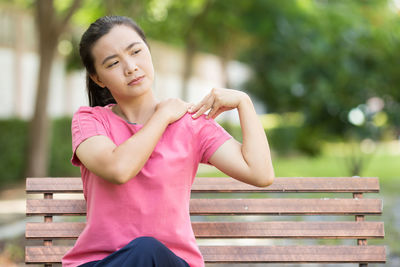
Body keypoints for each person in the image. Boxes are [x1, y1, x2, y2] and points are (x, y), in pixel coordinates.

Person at [62, 15, 274, 267]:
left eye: (136, 51)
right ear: (98, 79)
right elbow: (118, 169)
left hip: (168, 263)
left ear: (149, 52)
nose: (130, 67)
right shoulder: (90, 121)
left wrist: (243, 102)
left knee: (148, 249)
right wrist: (163, 115)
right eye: (113, 63)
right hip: (103, 263)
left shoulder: (190, 124)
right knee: (144, 249)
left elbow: (260, 173)